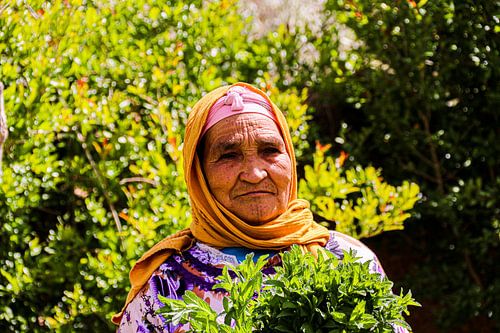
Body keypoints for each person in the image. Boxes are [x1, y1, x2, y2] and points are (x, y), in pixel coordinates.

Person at [113, 82, 398, 332]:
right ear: (199, 173)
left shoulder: (346, 261)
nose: (255, 173)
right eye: (229, 155)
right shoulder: (167, 284)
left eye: (270, 151)